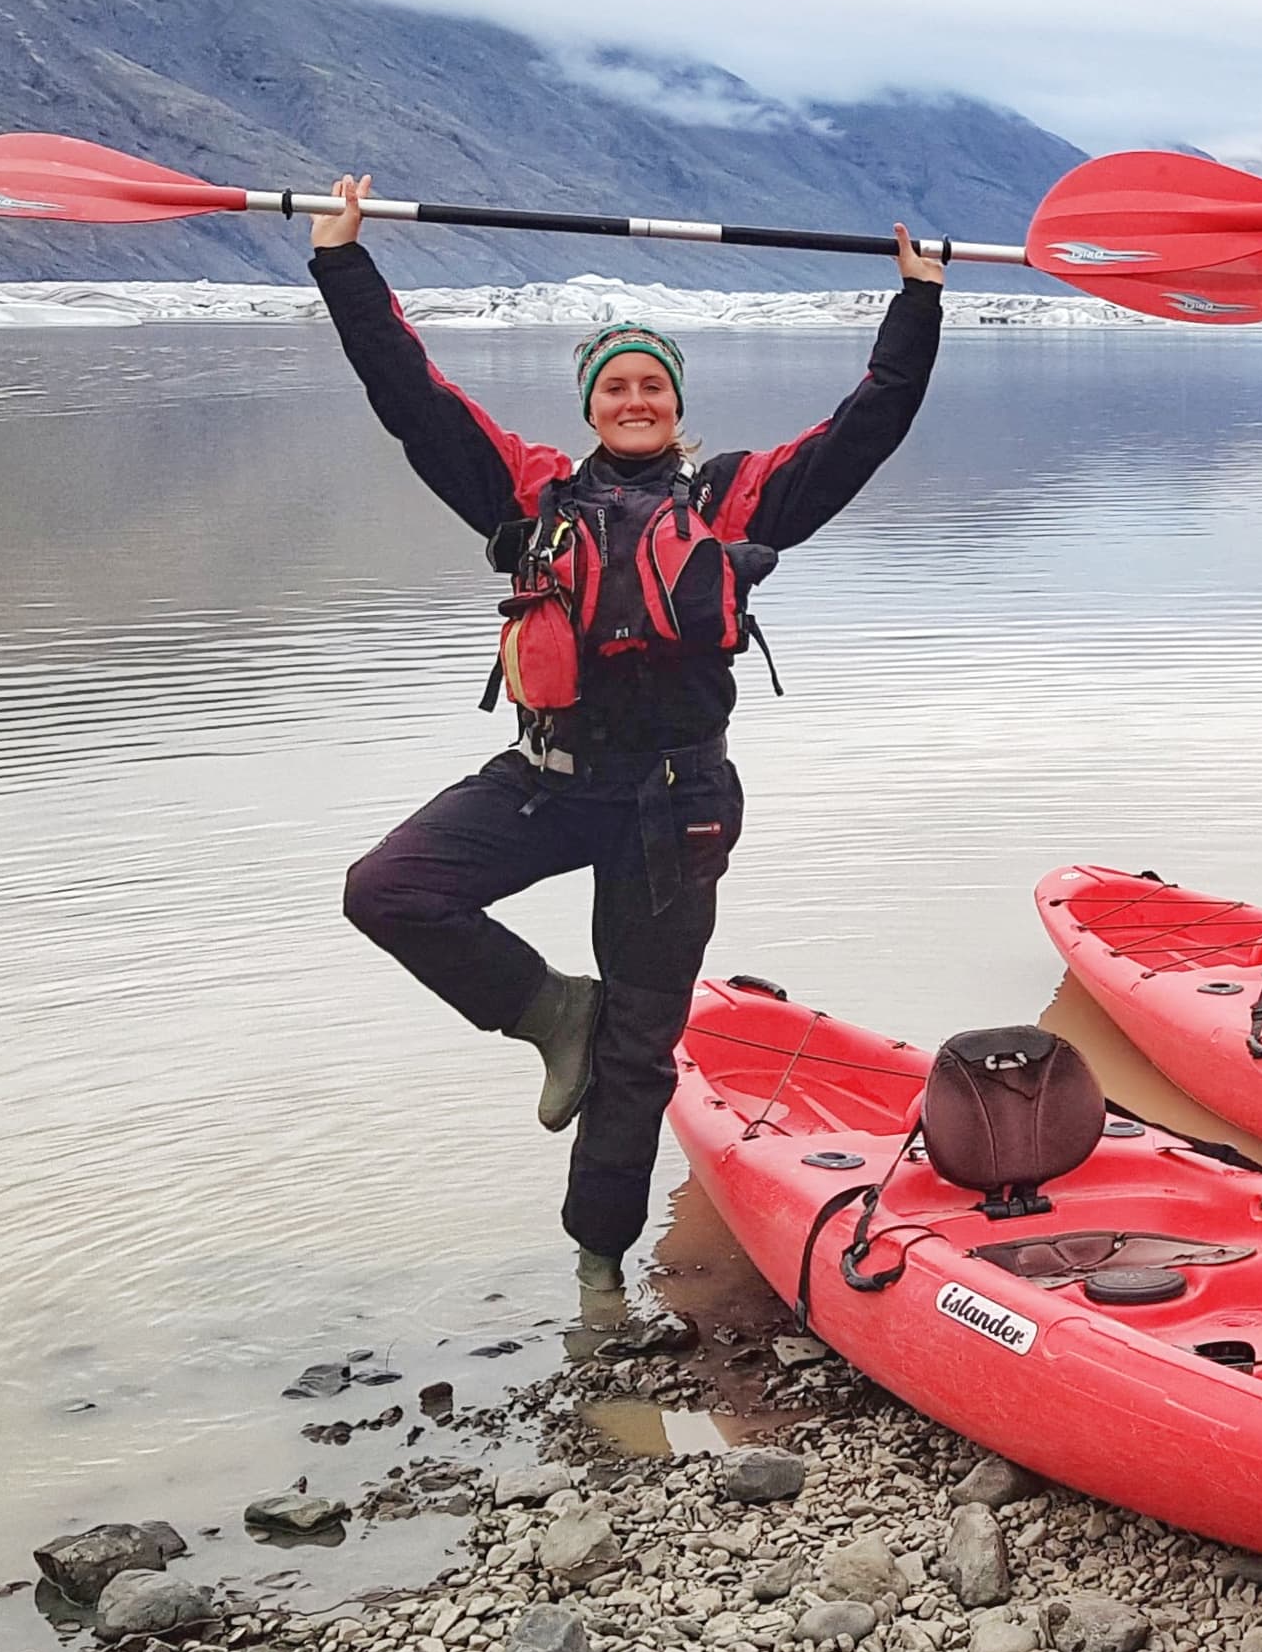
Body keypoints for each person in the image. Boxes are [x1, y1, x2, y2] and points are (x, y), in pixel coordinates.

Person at [309, 173, 944, 1293]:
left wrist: (918, 304)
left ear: (675, 403)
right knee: (389, 890)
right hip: (546, 780)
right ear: (591, 407)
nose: (635, 399)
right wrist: (343, 263)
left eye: (653, 385)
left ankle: (597, 1275)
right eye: (616, 386)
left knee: (640, 1054)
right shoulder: (531, 495)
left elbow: (864, 431)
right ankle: (552, 1009)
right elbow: (413, 397)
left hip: (675, 802)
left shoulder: (733, 497)